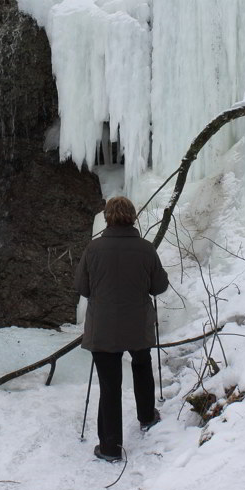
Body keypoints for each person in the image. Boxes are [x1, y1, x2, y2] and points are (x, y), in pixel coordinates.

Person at [75, 196, 169, 462]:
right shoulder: (146, 249)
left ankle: (109, 447)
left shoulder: (93, 249)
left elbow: (82, 288)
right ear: (133, 217)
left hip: (103, 328)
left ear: (107, 218)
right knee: (141, 365)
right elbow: (158, 287)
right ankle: (147, 416)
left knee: (109, 383)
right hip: (137, 324)